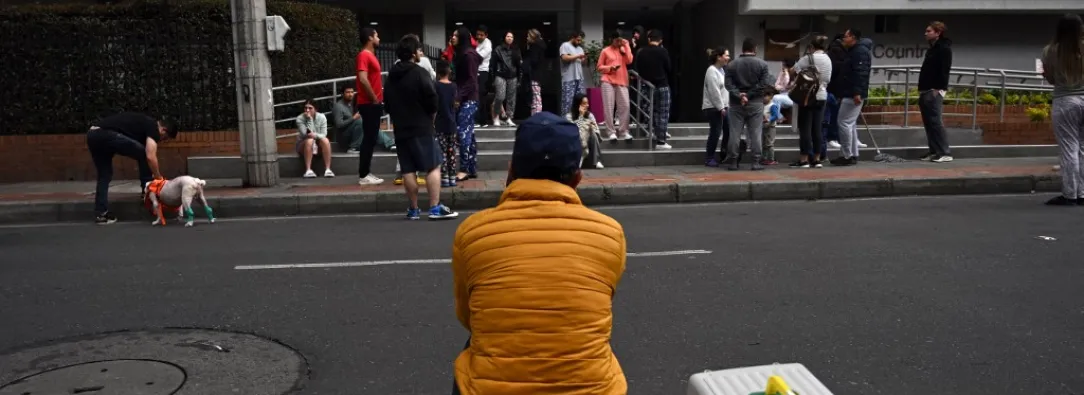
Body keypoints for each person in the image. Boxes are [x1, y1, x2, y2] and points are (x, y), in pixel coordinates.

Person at [450, 111, 627, 395]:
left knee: (474, 345)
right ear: (577, 178)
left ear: (510, 170)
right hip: (592, 389)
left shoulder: (472, 232)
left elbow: (467, 316)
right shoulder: (610, 233)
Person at [384, 34, 458, 220]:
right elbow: (433, 99)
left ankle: (413, 209)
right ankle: (434, 207)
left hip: (400, 128)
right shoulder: (420, 73)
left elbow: (387, 103)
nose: (419, 53)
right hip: (421, 125)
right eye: (417, 49)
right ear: (413, 53)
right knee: (433, 165)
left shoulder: (391, 76)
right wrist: (431, 117)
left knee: (408, 169)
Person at [86, 112, 177, 224]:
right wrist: (159, 178)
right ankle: (147, 191)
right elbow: (150, 156)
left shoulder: (142, 125)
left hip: (92, 135)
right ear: (163, 130)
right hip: (107, 134)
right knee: (145, 154)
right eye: (164, 138)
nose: (161, 141)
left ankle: (101, 214)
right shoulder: (153, 126)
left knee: (104, 175)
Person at [1040, 14, 1084, 206]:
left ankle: (1069, 194)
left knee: (1069, 148)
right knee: (1083, 148)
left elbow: (1050, 79)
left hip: (1065, 100)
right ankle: (1082, 193)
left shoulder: (1050, 50)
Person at [723, 37, 773, 171]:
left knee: (734, 133)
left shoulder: (732, 65)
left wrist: (739, 95)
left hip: (735, 103)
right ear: (754, 49)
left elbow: (728, 84)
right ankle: (756, 161)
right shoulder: (762, 64)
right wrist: (749, 95)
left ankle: (733, 161)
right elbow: (763, 84)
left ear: (743, 48)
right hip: (755, 102)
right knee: (756, 133)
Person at [789, 35, 832, 168]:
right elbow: (828, 78)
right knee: (817, 128)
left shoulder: (808, 58)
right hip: (822, 95)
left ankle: (804, 159)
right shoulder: (828, 59)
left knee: (805, 128)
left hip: (807, 97)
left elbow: (792, 71)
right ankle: (817, 159)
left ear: (812, 47)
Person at [831, 28, 872, 167]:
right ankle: (852, 154)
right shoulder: (856, 51)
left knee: (844, 123)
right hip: (850, 92)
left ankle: (846, 155)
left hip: (852, 93)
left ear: (853, 37)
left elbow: (860, 72)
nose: (844, 38)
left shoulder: (858, 52)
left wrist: (856, 92)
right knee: (850, 124)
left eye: (846, 36)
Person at [918, 21, 955, 163]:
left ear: (938, 32)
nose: (925, 33)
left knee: (935, 122)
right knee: (929, 122)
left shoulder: (944, 49)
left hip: (934, 90)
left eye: (929, 31)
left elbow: (944, 70)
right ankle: (934, 150)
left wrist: (938, 88)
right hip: (926, 89)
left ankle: (945, 152)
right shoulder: (932, 49)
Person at [356, 27, 385, 185]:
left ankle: (366, 172)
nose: (379, 38)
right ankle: (363, 174)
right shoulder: (364, 55)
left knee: (371, 138)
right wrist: (374, 98)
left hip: (373, 103)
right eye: (377, 35)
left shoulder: (370, 55)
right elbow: (362, 78)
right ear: (369, 38)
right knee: (369, 139)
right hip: (369, 104)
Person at [452, 27, 482, 183]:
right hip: (468, 98)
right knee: (468, 134)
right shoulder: (463, 54)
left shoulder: (468, 55)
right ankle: (471, 167)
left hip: (467, 99)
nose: (453, 37)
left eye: (456, 35)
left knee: (463, 133)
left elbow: (471, 80)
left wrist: (458, 97)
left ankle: (464, 169)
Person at [636, 29, 673, 149]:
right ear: (660, 40)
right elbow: (669, 68)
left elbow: (638, 69)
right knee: (662, 112)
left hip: (647, 86)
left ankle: (649, 131)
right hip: (662, 85)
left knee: (648, 110)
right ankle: (661, 141)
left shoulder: (641, 52)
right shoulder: (663, 52)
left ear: (649, 39)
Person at [597, 29, 635, 140]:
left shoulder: (623, 49)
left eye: (620, 40)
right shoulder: (605, 51)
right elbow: (599, 67)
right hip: (608, 80)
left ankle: (623, 131)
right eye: (616, 40)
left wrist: (627, 45)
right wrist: (610, 68)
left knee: (625, 106)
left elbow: (629, 60)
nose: (618, 42)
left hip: (622, 80)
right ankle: (610, 132)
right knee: (609, 107)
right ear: (612, 40)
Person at [703, 47, 731, 167]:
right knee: (715, 132)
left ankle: (724, 154)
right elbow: (714, 92)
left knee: (728, 130)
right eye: (726, 55)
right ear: (719, 57)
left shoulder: (722, 70)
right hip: (714, 107)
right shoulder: (711, 71)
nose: (728, 58)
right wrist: (721, 108)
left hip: (724, 106)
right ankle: (709, 157)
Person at [435, 60, 459, 187]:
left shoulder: (436, 86)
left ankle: (444, 177)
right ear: (449, 71)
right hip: (452, 123)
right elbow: (455, 104)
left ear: (438, 72)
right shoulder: (453, 86)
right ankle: (452, 177)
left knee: (442, 151)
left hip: (440, 123)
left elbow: (434, 106)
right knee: (452, 151)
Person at [295, 100, 335, 178]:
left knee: (325, 140)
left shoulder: (322, 117)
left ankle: (328, 169)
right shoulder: (300, 118)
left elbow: (324, 134)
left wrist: (315, 135)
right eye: (305, 108)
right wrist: (309, 119)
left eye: (310, 108)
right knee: (310, 140)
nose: (307, 110)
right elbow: (305, 134)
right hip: (303, 145)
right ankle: (308, 170)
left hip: (318, 144)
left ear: (316, 109)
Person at [491, 31, 521, 127]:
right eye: (508, 36)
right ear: (504, 37)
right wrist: (492, 78)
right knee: (500, 97)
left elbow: (519, 66)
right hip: (500, 75)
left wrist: (519, 78)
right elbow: (492, 65)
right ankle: (496, 117)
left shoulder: (516, 49)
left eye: (511, 37)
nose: (510, 38)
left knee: (511, 99)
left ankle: (509, 118)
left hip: (513, 76)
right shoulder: (498, 49)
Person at [567, 92, 604, 169]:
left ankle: (597, 160)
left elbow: (597, 131)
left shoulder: (590, 115)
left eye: (587, 103)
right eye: (584, 103)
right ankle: (581, 154)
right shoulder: (569, 116)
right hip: (576, 141)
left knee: (593, 133)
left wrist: (591, 128)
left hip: (588, 140)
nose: (587, 105)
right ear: (578, 104)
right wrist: (581, 117)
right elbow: (573, 131)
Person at [559, 30, 588, 115]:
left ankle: (578, 121)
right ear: (573, 37)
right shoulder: (565, 45)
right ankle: (565, 122)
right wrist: (578, 56)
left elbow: (583, 63)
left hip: (579, 78)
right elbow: (564, 57)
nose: (579, 42)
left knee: (580, 101)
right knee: (567, 102)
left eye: (580, 40)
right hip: (569, 78)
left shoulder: (580, 48)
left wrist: (584, 59)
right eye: (578, 40)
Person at [522, 29, 547, 115]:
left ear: (533, 36)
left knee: (535, 97)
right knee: (537, 96)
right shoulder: (541, 46)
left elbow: (534, 60)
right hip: (539, 75)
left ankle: (536, 116)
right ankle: (536, 115)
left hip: (534, 75)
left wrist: (525, 62)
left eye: (528, 36)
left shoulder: (535, 47)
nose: (527, 37)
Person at [474, 25, 493, 128]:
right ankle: (477, 120)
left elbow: (478, 57)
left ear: (486, 35)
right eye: (478, 34)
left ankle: (483, 120)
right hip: (474, 71)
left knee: (481, 95)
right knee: (475, 96)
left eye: (481, 35)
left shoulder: (488, 44)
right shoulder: (475, 42)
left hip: (483, 72)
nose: (479, 36)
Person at [762, 91, 783, 165]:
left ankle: (771, 159)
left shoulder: (772, 105)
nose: (763, 98)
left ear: (770, 97)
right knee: (764, 143)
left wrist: (768, 119)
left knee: (769, 144)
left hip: (770, 127)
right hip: (764, 127)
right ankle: (764, 158)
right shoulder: (763, 105)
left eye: (765, 96)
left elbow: (776, 116)